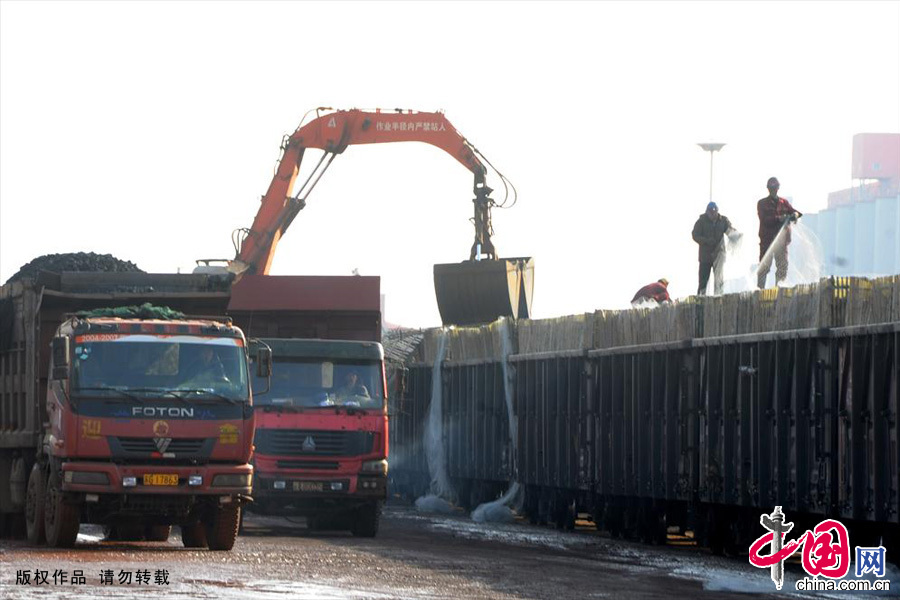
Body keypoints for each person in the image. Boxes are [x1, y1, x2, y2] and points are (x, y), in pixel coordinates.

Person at [757, 177, 802, 289]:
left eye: (775, 187)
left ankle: (779, 290)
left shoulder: (784, 202)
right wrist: (779, 218)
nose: (773, 190)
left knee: (783, 266)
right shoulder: (762, 203)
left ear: (778, 188)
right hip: (767, 241)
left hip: (782, 242)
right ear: (768, 188)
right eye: (771, 187)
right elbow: (764, 219)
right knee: (764, 268)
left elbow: (795, 212)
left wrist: (795, 215)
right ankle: (760, 291)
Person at [691, 201, 740, 295]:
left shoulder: (723, 220)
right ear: (707, 212)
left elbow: (729, 230)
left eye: (714, 211)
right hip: (705, 256)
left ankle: (718, 298)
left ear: (717, 211)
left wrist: (735, 235)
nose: (712, 213)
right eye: (710, 211)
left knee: (719, 279)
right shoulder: (701, 221)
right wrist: (706, 241)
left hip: (719, 255)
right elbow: (695, 235)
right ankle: (700, 301)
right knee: (703, 281)